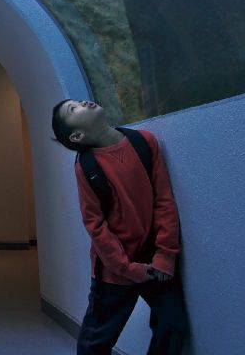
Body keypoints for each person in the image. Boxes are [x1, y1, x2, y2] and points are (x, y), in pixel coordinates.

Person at [51, 98, 190, 355]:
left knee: (173, 326)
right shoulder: (87, 166)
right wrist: (125, 268)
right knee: (96, 340)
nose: (82, 102)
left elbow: (164, 200)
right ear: (78, 135)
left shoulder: (145, 143)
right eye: (73, 109)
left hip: (156, 264)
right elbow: (95, 225)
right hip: (114, 270)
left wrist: (165, 256)